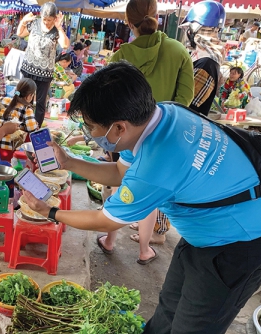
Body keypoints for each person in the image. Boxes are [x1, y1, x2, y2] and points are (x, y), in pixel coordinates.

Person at [22, 61, 261, 334]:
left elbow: (106, 220)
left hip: (243, 243)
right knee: (172, 299)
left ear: (119, 127)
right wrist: (70, 161)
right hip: (207, 234)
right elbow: (119, 174)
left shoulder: (159, 162)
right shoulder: (165, 115)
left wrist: (48, 211)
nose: (91, 135)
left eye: (92, 128)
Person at [105, 0, 194, 264]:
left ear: (129, 23)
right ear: (157, 16)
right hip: (166, 138)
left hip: (126, 137)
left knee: (117, 182)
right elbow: (184, 100)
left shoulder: (120, 56)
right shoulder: (178, 51)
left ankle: (109, 240)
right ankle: (145, 250)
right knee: (151, 194)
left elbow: (110, 102)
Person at [17, 2, 70, 126]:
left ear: (55, 18)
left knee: (41, 102)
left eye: (50, 20)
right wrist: (23, 21)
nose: (46, 22)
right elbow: (20, 33)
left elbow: (65, 45)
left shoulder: (56, 30)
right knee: (21, 96)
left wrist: (60, 28)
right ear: (41, 16)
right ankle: (20, 123)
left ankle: (35, 128)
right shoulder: (34, 24)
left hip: (44, 73)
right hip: (28, 68)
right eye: (45, 19)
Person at [182, 1, 226, 116]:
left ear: (193, 31)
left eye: (188, 30)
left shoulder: (207, 63)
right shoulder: (203, 57)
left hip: (187, 126)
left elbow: (188, 106)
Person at [0, 78, 38, 157]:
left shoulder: (3, 100)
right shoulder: (27, 109)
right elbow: (32, 129)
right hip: (9, 151)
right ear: (29, 96)